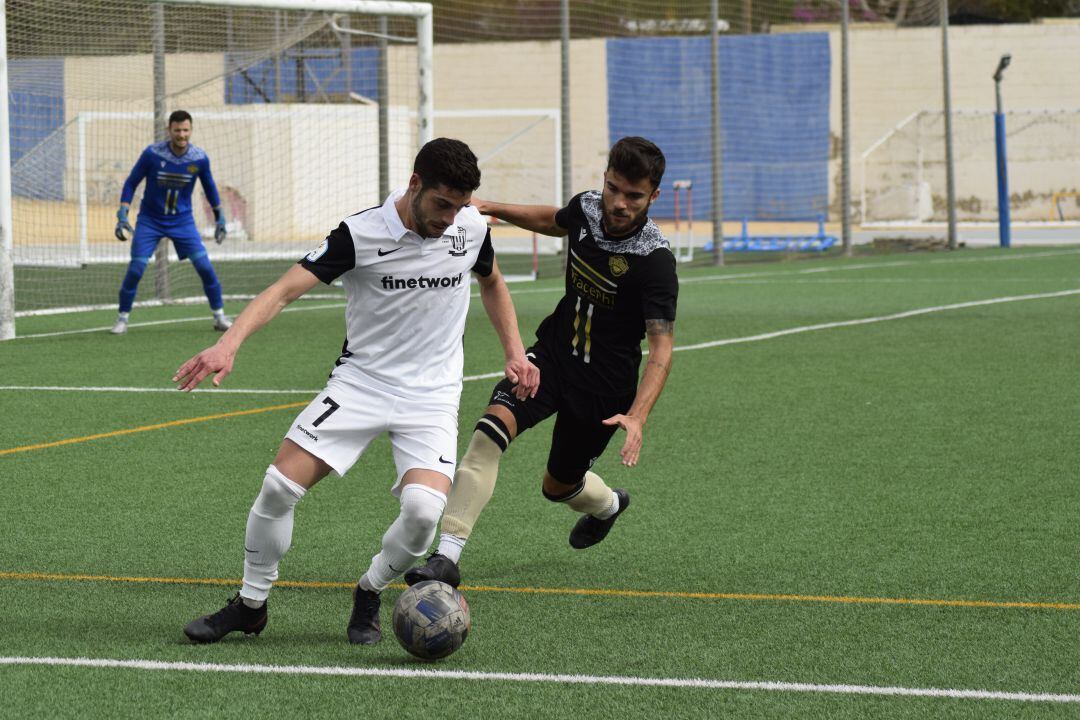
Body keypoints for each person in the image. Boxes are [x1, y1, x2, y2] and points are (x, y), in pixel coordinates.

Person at [175, 138, 538, 645]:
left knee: (421, 514)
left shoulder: (469, 228)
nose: (451, 218)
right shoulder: (360, 233)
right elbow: (283, 291)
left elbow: (492, 282)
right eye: (442, 204)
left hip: (431, 396)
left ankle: (370, 588)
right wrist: (229, 344)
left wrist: (515, 352)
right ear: (415, 184)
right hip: (361, 383)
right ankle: (251, 605)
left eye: (460, 206)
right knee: (279, 487)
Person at [405, 136, 678, 589]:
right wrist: (492, 206)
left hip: (604, 389)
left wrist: (637, 416)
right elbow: (554, 221)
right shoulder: (589, 209)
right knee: (488, 434)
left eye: (633, 195)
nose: (619, 203)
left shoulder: (655, 261)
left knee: (558, 486)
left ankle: (608, 504)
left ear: (653, 196)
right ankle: (447, 556)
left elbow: (661, 349)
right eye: (613, 188)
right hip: (551, 355)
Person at [110, 109, 231, 335]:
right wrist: (123, 213)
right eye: (177, 130)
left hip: (182, 222)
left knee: (205, 267)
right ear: (169, 130)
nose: (182, 135)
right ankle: (122, 319)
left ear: (191, 130)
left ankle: (219, 316)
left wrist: (220, 217)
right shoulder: (152, 154)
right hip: (150, 220)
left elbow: (210, 188)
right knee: (136, 269)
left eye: (186, 130)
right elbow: (131, 183)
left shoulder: (199, 158)